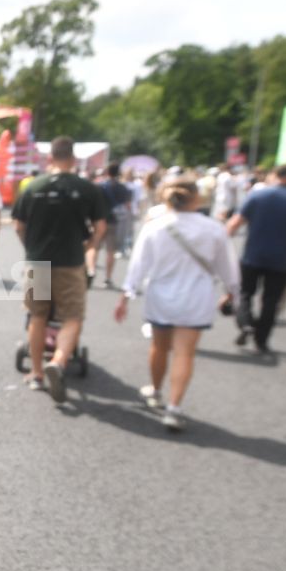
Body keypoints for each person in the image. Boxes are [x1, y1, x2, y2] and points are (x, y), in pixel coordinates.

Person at [115, 179, 239, 432]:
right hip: (197, 297)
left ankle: (155, 391)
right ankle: (174, 407)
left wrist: (126, 296)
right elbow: (228, 268)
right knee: (185, 353)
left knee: (159, 348)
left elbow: (139, 265)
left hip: (161, 296)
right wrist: (232, 291)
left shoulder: (155, 227)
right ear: (197, 199)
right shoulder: (214, 229)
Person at [12, 135, 110, 402]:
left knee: (37, 316)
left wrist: (30, 247)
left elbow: (18, 226)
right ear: (73, 158)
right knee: (72, 317)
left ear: (49, 158)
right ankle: (58, 360)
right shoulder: (88, 188)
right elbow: (101, 227)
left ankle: (36, 372)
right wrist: (90, 245)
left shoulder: (32, 187)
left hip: (37, 261)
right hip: (71, 261)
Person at [226, 164, 286, 358]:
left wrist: (222, 245)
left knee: (245, 293)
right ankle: (261, 340)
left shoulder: (257, 195)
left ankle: (246, 323)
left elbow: (235, 223)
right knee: (271, 300)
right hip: (282, 258)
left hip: (252, 255)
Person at [92, 162, 134, 286]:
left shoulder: (99, 186)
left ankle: (91, 273)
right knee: (111, 251)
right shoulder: (123, 187)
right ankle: (108, 278)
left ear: (107, 172)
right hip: (115, 222)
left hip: (99, 220)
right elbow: (128, 206)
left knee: (95, 248)